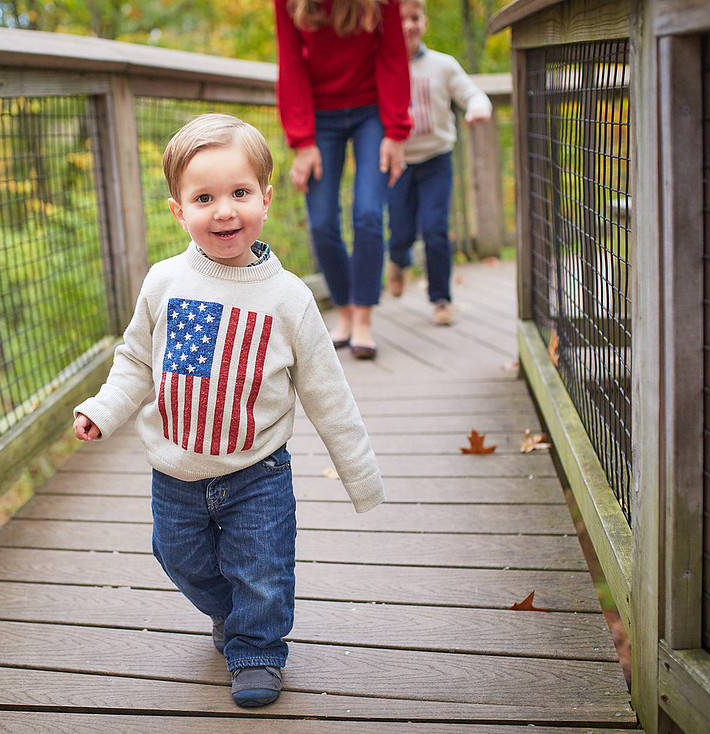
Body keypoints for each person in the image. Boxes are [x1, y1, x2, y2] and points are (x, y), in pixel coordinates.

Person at [72, 113, 384, 709]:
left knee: (261, 569)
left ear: (266, 199)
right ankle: (233, 613)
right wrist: (104, 409)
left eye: (240, 194)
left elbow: (328, 392)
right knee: (177, 557)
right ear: (178, 210)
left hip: (256, 471)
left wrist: (360, 474)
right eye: (204, 197)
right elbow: (137, 358)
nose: (224, 211)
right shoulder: (166, 282)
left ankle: (258, 649)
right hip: (176, 469)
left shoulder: (288, 298)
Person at [274, 0, 412, 359]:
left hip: (372, 111)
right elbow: (290, 62)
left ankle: (364, 319)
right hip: (320, 115)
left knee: (367, 213)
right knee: (320, 221)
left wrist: (396, 132)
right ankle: (346, 316)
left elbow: (394, 55)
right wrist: (302, 140)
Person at [386, 0, 491, 326]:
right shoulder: (384, 67)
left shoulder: (442, 65)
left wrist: (477, 107)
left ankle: (441, 298)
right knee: (401, 229)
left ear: (424, 22)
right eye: (401, 19)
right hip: (397, 163)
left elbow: (471, 93)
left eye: (414, 18)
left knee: (435, 229)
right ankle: (397, 261)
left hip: (436, 159)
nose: (408, 26)